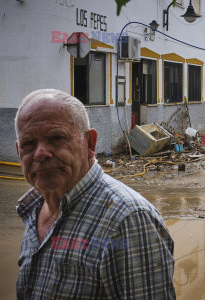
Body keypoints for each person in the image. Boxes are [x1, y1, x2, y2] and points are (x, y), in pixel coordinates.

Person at [15, 89, 175, 299]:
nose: (40, 153)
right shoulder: (34, 208)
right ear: (19, 152)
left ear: (90, 143)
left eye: (56, 138)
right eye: (29, 144)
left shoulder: (129, 219)